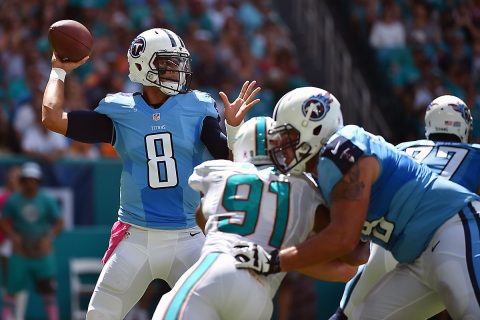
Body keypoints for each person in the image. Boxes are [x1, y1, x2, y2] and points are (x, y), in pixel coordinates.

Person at [42, 27, 260, 320]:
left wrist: (232, 129)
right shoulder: (121, 111)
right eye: (166, 63)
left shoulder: (197, 107)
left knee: (229, 311)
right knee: (99, 315)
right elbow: (52, 118)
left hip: (189, 235)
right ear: (143, 65)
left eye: (177, 62)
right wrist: (58, 71)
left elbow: (231, 163)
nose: (176, 70)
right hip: (136, 236)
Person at [233, 87, 480, 319]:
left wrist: (275, 260)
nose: (284, 148)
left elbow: (343, 239)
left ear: (314, 125)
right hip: (417, 255)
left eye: (290, 137)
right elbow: (356, 254)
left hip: (452, 229)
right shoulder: (324, 173)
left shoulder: (343, 149)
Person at [151, 116, 363, 320]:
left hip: (218, 269)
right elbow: (347, 269)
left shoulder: (220, 172)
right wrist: (280, 257)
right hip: (260, 297)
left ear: (241, 148)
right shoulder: (306, 189)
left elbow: (201, 215)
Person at [330, 94, 480, 320]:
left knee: (349, 314)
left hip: (393, 238)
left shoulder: (404, 148)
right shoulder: (475, 153)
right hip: (447, 231)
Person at [0, 162, 64, 320]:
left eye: (34, 179)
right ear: (22, 180)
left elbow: (59, 222)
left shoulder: (47, 200)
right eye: (27, 179)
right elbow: (3, 220)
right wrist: (13, 235)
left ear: (38, 181)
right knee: (11, 291)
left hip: (42, 256)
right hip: (20, 255)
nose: (30, 182)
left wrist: (48, 238)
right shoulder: (13, 200)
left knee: (48, 293)